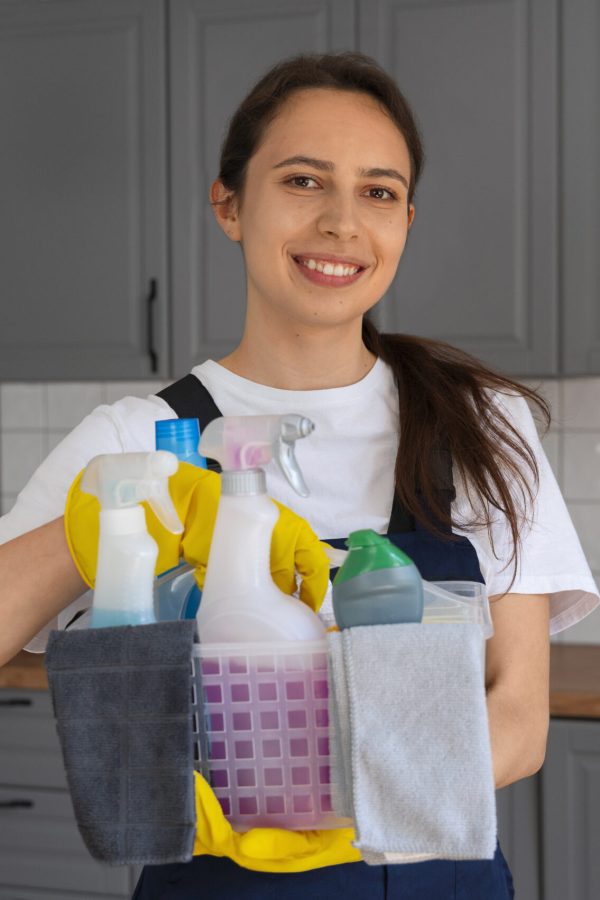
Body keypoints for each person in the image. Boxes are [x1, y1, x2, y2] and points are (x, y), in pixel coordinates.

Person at [0, 52, 598, 899]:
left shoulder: (477, 425)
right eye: (304, 181)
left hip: (439, 881)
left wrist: (332, 813)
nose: (343, 223)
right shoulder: (135, 439)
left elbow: (519, 717)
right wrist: (110, 518)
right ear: (230, 205)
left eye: (379, 192)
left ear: (406, 221)